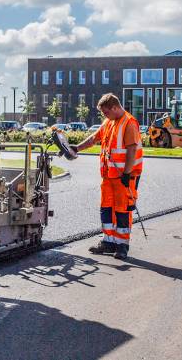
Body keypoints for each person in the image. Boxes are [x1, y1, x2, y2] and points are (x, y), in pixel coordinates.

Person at [69, 93, 143, 259]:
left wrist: (127, 173)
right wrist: (77, 148)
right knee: (107, 208)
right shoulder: (109, 122)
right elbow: (94, 138)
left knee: (122, 210)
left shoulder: (129, 123)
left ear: (115, 108)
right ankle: (108, 242)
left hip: (124, 177)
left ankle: (122, 245)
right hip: (109, 177)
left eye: (106, 112)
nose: (105, 116)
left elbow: (131, 149)